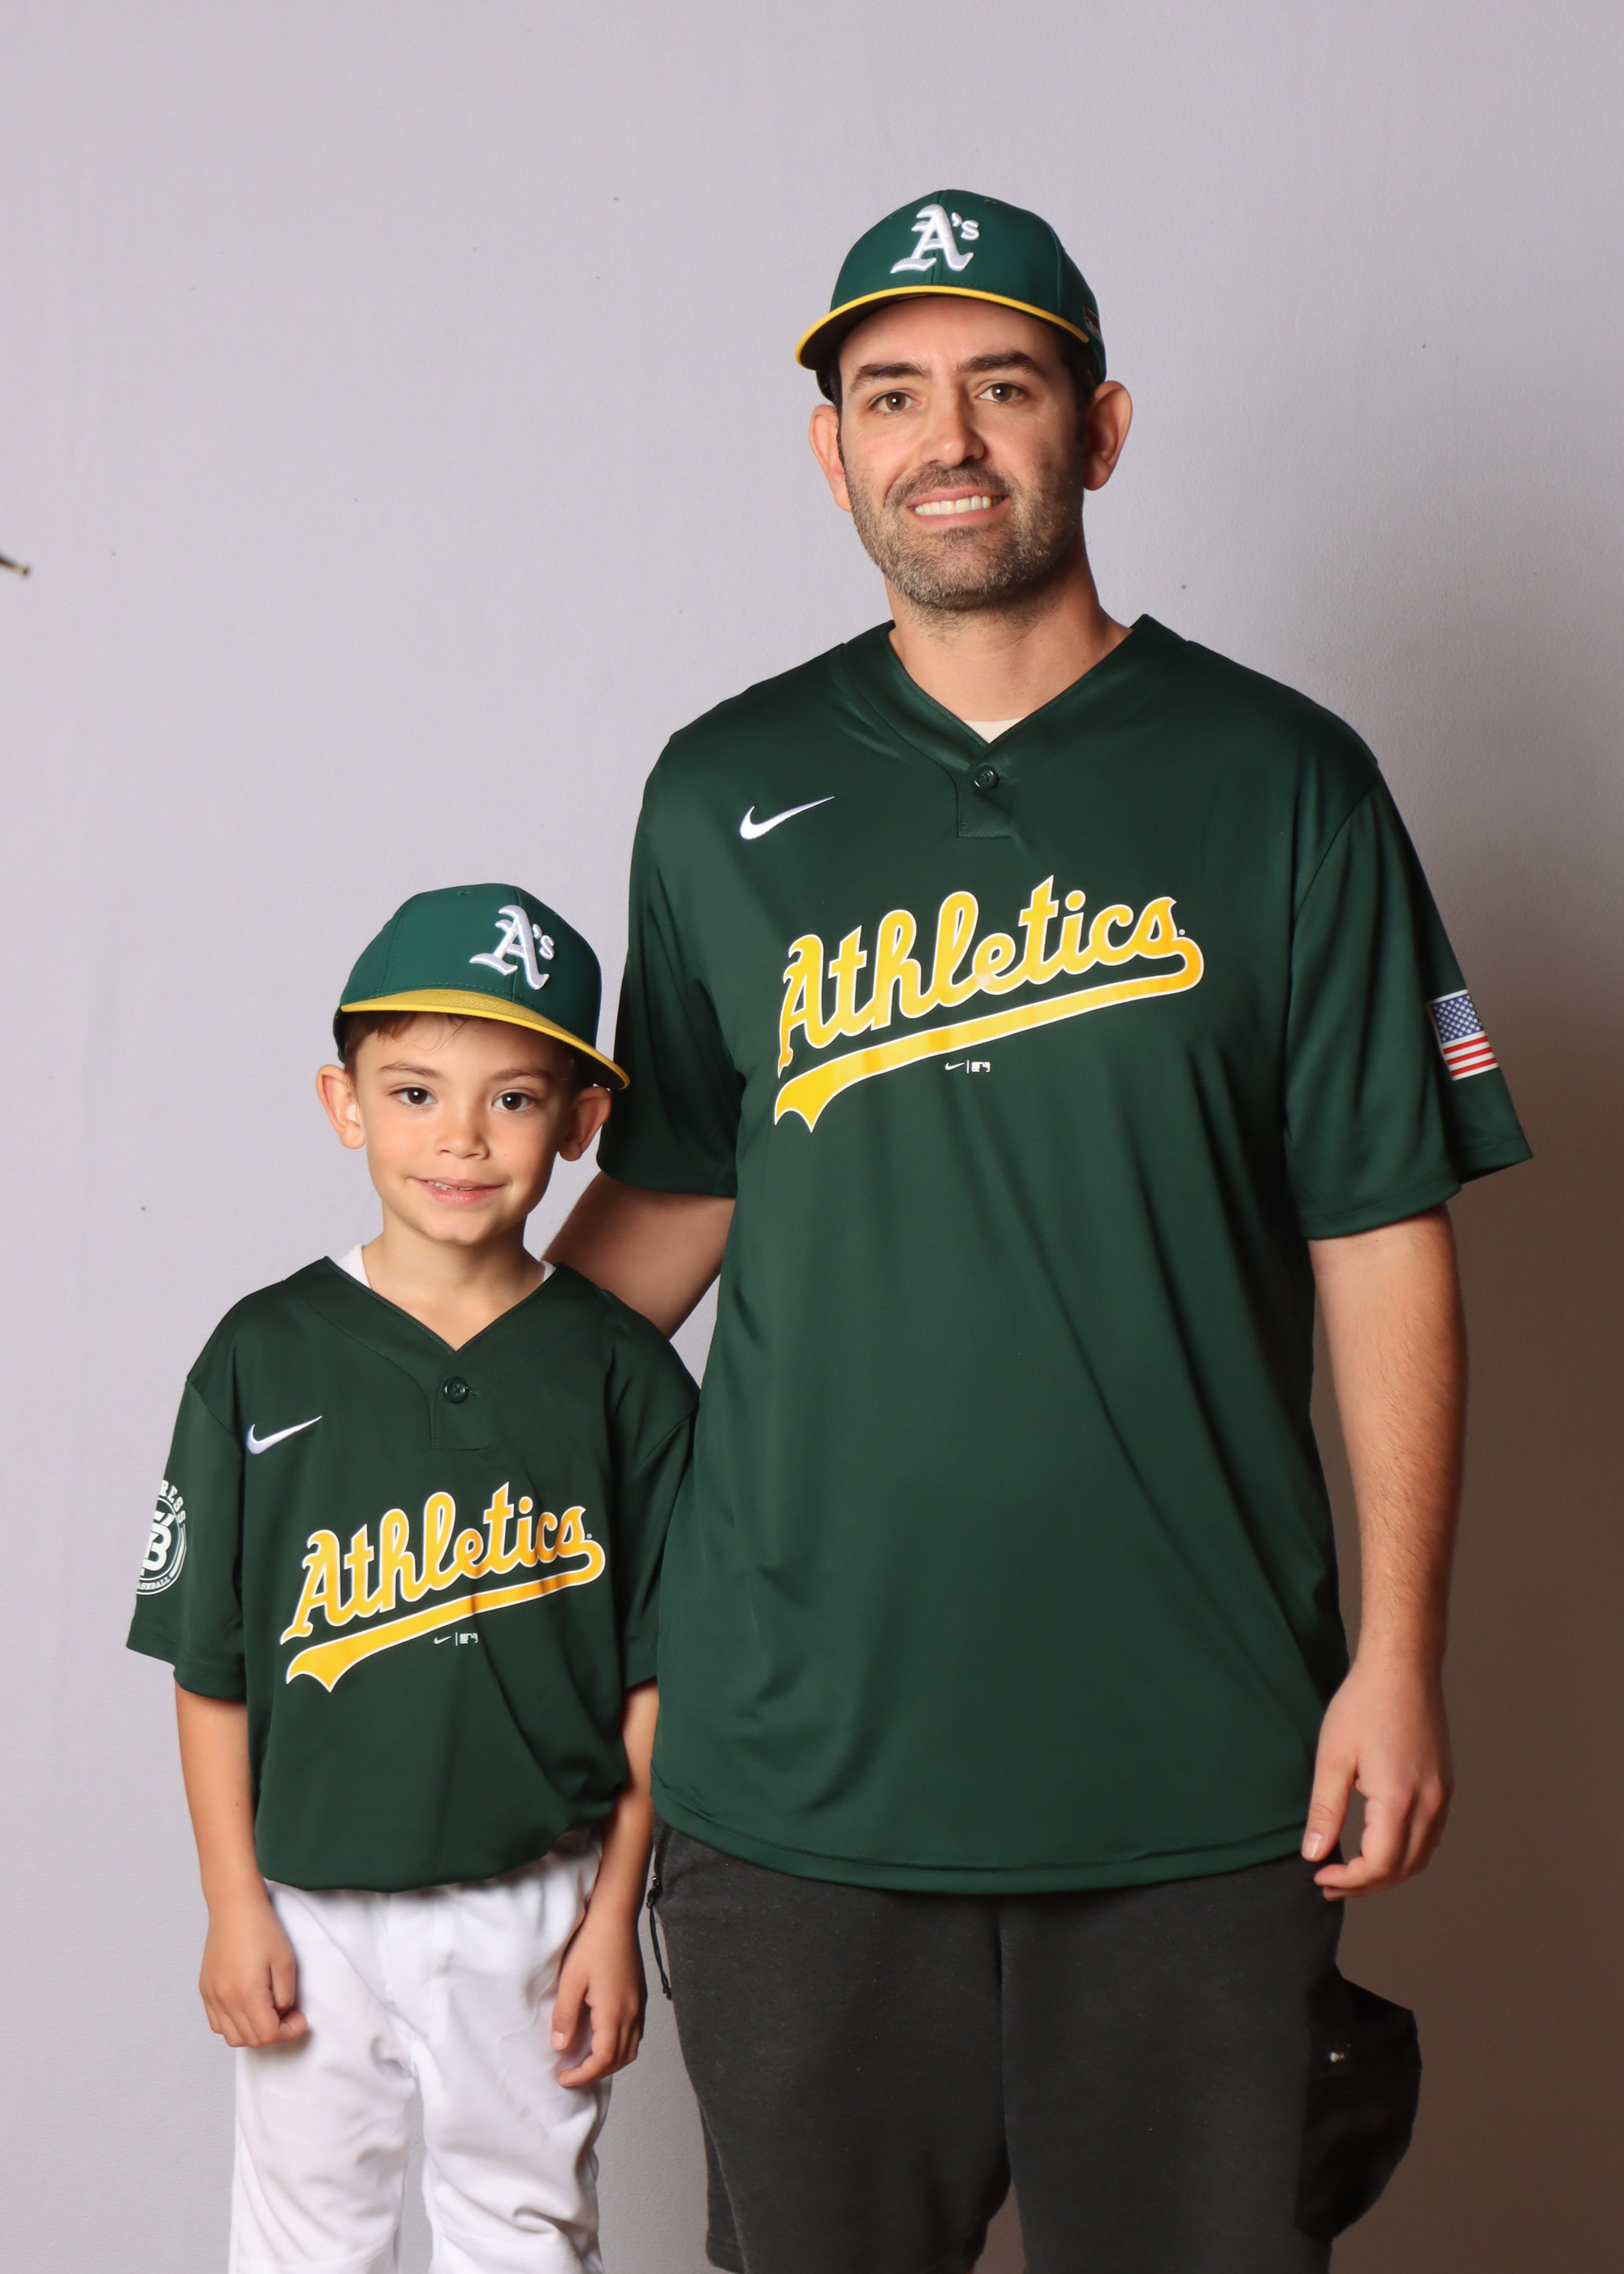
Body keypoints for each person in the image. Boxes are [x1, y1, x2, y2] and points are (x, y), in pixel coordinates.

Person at [549, 191, 1532, 2274]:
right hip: (792, 1767)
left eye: (1003, 385)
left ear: (1100, 428)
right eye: (891, 393)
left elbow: (1380, 1234)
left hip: (1199, 1758)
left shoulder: (1284, 782)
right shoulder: (721, 789)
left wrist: (1397, 1656)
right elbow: (682, 1189)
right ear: (828, 448)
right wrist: (406, 1383)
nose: (947, 439)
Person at [127, 883, 697, 2274]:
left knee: (524, 2237)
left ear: (581, 1123)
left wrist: (613, 1916)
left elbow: (657, 1680)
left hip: (536, 1897)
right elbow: (212, 1666)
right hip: (310, 1900)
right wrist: (232, 1903)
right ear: (345, 1103)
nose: (460, 1137)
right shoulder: (263, 1353)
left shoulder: (621, 1370)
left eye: (515, 1099)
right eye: (415, 1091)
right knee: (304, 2246)